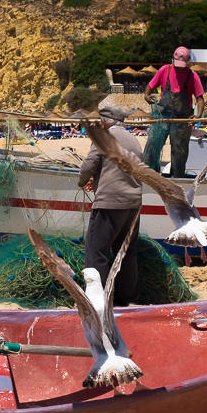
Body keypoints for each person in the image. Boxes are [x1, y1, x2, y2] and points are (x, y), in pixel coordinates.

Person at [78, 102, 143, 306]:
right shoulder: (134, 140)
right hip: (133, 204)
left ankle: (99, 301)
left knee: (97, 252)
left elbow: (89, 164)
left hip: (110, 204)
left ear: (104, 122)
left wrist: (82, 181)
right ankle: (130, 299)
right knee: (126, 253)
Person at [143, 46, 205, 178]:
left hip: (181, 121)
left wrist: (198, 115)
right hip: (162, 118)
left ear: (187, 62)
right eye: (177, 64)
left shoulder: (192, 76)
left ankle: (177, 179)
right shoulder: (165, 70)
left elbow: (200, 98)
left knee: (179, 153)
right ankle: (149, 177)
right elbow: (150, 86)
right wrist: (147, 96)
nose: (179, 67)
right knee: (153, 146)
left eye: (182, 65)